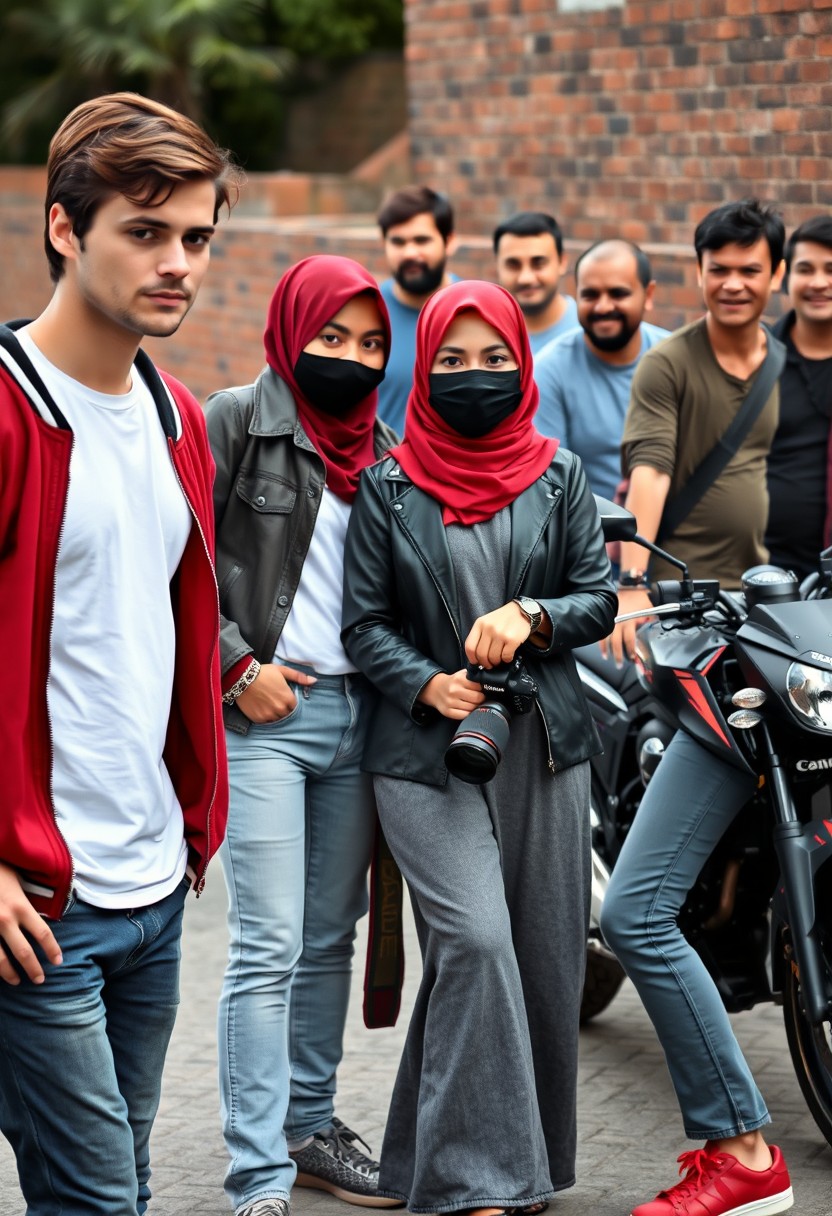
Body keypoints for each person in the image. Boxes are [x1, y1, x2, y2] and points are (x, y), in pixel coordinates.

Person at [0, 92, 236, 1215]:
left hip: (156, 890)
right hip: (39, 909)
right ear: (63, 228)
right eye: (145, 232)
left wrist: (194, 824)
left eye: (195, 236)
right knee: (102, 1201)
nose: (178, 263)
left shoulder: (178, 417)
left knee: (110, 1186)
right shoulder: (7, 413)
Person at [341, 279, 617, 1214]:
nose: (474, 377)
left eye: (494, 359)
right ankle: (480, 1180)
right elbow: (364, 624)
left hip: (542, 740)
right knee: (475, 941)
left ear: (523, 360)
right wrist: (426, 681)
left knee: (541, 957)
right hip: (425, 748)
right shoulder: (388, 482)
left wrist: (535, 615)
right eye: (451, 361)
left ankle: (481, 1161)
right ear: (424, 370)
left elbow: (599, 596)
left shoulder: (561, 474)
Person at [599, 201, 795, 1216]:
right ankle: (743, 1148)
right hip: (694, 623)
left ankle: (744, 1153)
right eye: (715, 267)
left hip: (792, 628)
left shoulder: (795, 369)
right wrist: (631, 587)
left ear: (774, 273)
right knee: (633, 905)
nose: (731, 282)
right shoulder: (671, 364)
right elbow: (649, 476)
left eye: (746, 268)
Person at [205, 255, 401, 1216]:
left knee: (330, 937)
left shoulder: (387, 448)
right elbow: (182, 564)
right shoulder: (237, 420)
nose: (351, 360)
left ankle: (309, 1127)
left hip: (364, 718)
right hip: (268, 717)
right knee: (269, 941)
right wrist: (239, 667)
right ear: (292, 330)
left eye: (370, 344)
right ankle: (257, 1174)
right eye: (332, 339)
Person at [534, 239, 668, 500]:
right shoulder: (549, 370)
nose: (603, 307)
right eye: (590, 295)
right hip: (590, 531)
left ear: (648, 295)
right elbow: (551, 485)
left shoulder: (674, 360)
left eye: (618, 294)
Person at [766, 214, 832, 580]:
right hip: (767, 576)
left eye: (830, 269)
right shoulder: (757, 362)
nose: (819, 282)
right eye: (806, 269)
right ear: (786, 277)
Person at [375, 184, 459, 434]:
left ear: (449, 241)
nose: (410, 253)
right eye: (398, 242)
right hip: (379, 470)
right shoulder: (367, 313)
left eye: (422, 240)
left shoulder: (474, 312)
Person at [492, 210, 578, 355]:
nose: (526, 278)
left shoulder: (586, 331)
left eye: (538, 263)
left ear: (562, 262)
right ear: (497, 266)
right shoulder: (486, 334)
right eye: (513, 265)